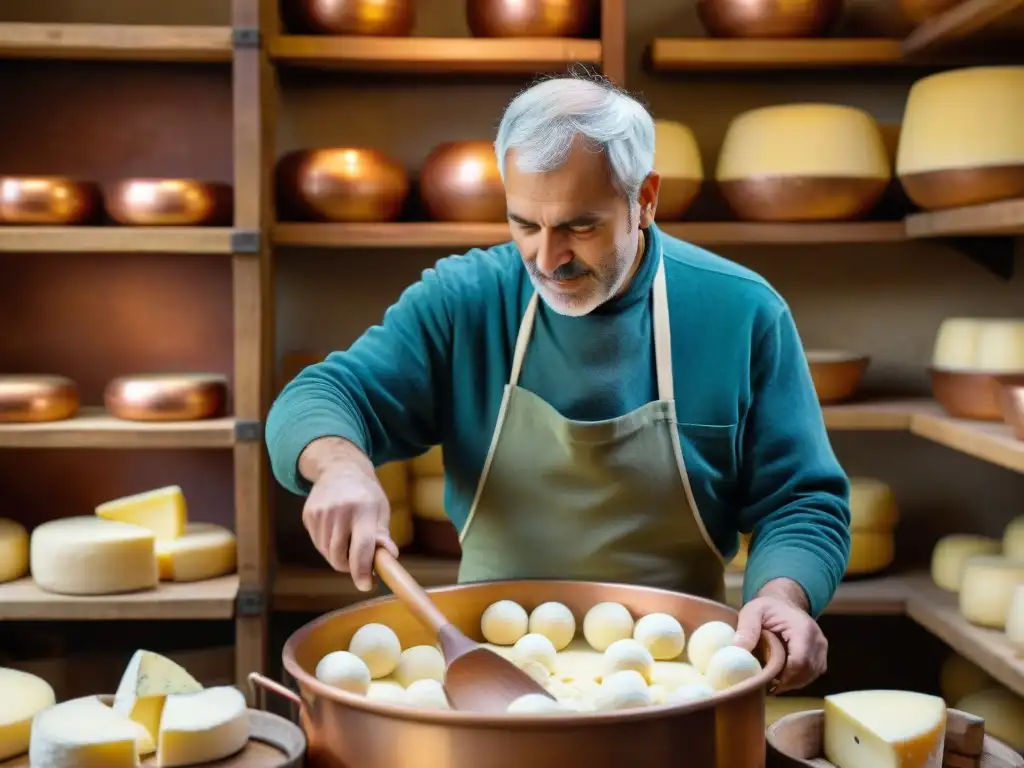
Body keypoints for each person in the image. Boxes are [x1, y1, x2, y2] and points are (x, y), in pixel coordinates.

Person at [265, 73, 852, 693]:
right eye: (524, 224)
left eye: (579, 226)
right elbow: (321, 396)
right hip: (489, 666)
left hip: (678, 680)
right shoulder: (465, 302)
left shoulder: (739, 311)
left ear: (644, 198)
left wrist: (785, 595)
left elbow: (801, 499)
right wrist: (340, 465)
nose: (547, 260)